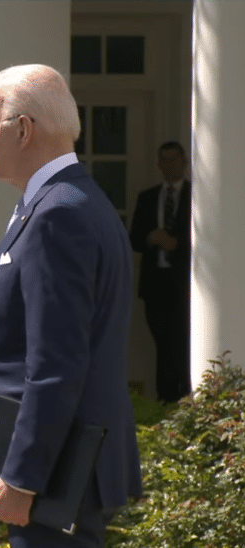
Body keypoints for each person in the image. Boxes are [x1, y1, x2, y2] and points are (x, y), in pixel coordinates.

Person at [0, 64, 143, 548]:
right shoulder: (70, 201)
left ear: (22, 129)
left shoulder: (57, 214)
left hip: (55, 478)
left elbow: (55, 362)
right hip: (63, 471)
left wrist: (22, 478)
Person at [129, 141, 192, 403]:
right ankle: (165, 403)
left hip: (185, 286)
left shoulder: (196, 195)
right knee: (163, 348)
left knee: (184, 346)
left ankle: (187, 399)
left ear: (184, 162)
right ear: (158, 164)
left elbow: (211, 240)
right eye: (164, 160)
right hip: (156, 286)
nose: (169, 165)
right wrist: (151, 238)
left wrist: (176, 244)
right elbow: (133, 239)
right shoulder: (148, 197)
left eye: (174, 160)